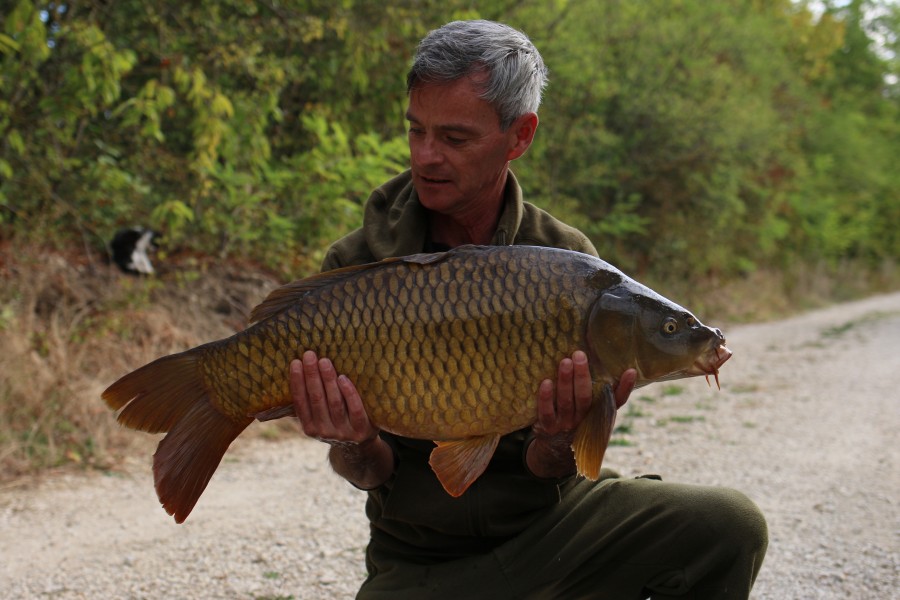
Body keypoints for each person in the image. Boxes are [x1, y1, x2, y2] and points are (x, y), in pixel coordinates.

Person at [288, 20, 767, 599]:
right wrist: (351, 442)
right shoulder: (356, 265)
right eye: (417, 131)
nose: (426, 156)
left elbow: (553, 469)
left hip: (557, 531)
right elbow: (371, 474)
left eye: (455, 139)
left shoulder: (571, 264)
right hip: (421, 559)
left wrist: (557, 439)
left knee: (728, 525)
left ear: (519, 136)